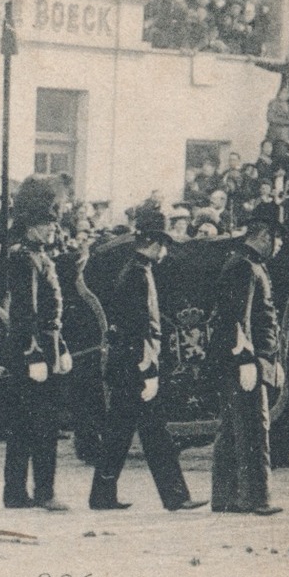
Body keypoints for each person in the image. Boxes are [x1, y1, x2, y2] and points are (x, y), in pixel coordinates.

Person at [91, 208, 204, 512]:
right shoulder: (139, 275)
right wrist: (149, 371)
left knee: (124, 434)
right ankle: (176, 497)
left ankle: (103, 496)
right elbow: (141, 329)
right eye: (164, 244)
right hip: (136, 369)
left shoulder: (135, 271)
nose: (166, 251)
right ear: (154, 242)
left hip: (127, 367)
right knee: (151, 435)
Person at [206, 202, 285, 515]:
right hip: (245, 361)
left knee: (231, 429)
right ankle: (257, 497)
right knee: (254, 428)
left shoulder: (246, 263)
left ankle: (225, 497)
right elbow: (239, 319)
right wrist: (245, 359)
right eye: (278, 238)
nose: (279, 246)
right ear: (265, 235)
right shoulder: (245, 267)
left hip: (243, 361)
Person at [1, 198, 73, 511]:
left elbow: (50, 313)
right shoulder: (24, 259)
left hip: (46, 348)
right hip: (34, 352)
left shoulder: (39, 257)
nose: (53, 229)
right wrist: (33, 354)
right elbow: (25, 311)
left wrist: (63, 347)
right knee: (39, 425)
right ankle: (42, 492)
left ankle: (17, 492)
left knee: (25, 424)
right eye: (48, 224)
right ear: (32, 227)